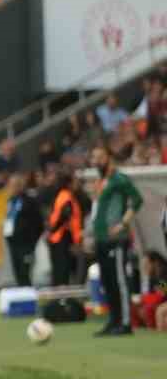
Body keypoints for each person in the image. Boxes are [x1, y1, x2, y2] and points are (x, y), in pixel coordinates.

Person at [87, 143, 144, 337]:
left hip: (117, 239)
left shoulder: (119, 179)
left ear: (109, 158)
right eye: (94, 158)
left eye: (100, 157)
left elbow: (137, 200)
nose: (96, 161)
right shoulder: (101, 181)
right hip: (101, 239)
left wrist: (123, 224)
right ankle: (113, 320)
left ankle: (126, 323)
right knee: (107, 281)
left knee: (119, 281)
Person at [3, 171, 43, 288]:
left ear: (21, 186)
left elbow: (38, 224)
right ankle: (22, 297)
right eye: (10, 185)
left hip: (26, 245)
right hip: (13, 244)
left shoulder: (29, 201)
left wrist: (32, 242)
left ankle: (28, 298)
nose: (12, 188)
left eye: (15, 185)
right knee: (18, 273)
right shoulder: (11, 201)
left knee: (25, 273)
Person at [45, 168, 82, 287]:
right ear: (69, 183)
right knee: (62, 271)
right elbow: (65, 216)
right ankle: (61, 298)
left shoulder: (62, 196)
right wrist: (53, 230)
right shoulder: (66, 197)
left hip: (58, 237)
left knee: (60, 270)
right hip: (62, 237)